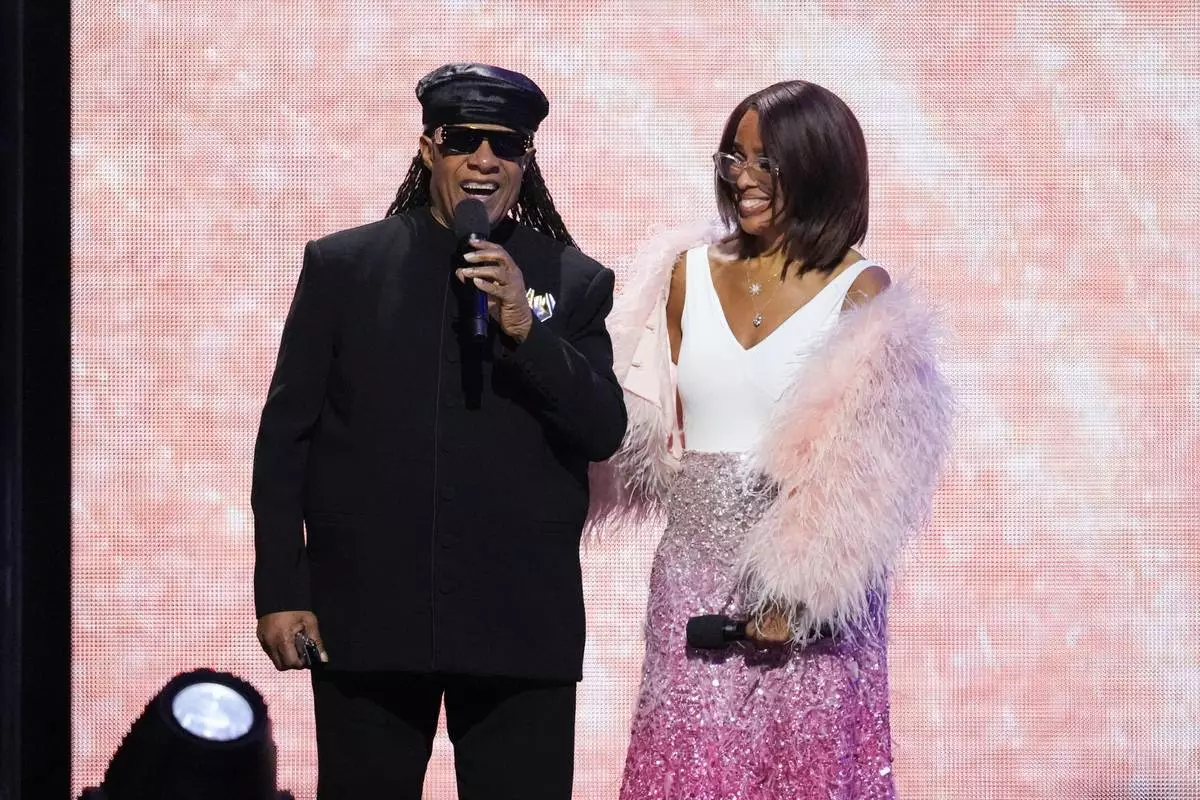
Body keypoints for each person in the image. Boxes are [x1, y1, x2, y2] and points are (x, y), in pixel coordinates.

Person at [251, 63, 627, 799]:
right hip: (367, 617)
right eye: (464, 140)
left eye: (506, 145)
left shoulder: (574, 280)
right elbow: (286, 437)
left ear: (526, 160)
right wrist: (279, 589)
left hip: (521, 627)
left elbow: (604, 428)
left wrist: (527, 329)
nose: (484, 160)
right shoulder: (345, 268)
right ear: (429, 149)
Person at [590, 81, 955, 798]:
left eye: (769, 163)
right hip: (690, 585)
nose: (745, 179)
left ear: (821, 168)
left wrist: (797, 595)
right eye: (737, 158)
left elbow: (871, 482)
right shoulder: (682, 275)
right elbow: (620, 421)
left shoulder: (864, 295)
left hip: (812, 608)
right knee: (684, 773)